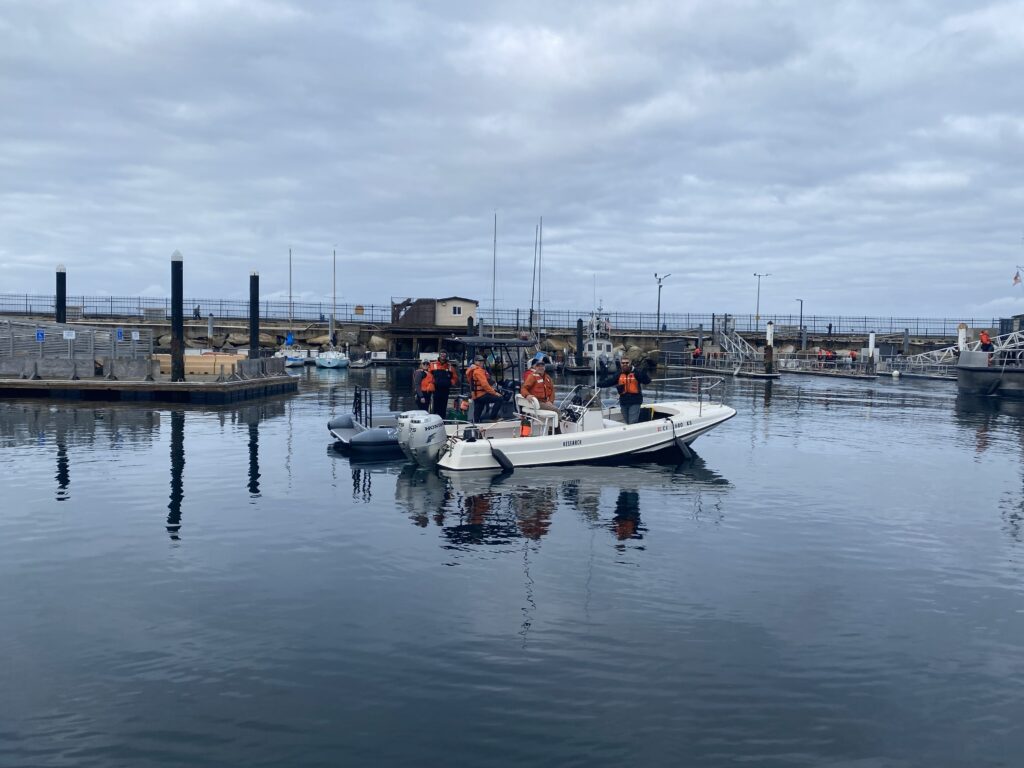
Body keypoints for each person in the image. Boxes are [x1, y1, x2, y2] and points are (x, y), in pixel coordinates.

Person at [598, 357, 651, 425]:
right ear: (621, 364)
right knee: (626, 421)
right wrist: (597, 385)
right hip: (623, 402)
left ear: (630, 363)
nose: (625, 364)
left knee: (632, 422)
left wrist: (644, 372)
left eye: (627, 363)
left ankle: (633, 430)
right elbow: (609, 382)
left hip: (635, 401)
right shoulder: (619, 374)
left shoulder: (636, 373)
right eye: (623, 363)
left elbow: (647, 381)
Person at [467, 354, 503, 422]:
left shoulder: (472, 370)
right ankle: (493, 417)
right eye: (479, 361)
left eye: (482, 361)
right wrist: (495, 393)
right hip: (481, 394)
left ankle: (475, 423)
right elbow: (485, 385)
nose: (481, 362)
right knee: (499, 399)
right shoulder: (478, 371)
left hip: (475, 395)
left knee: (478, 411)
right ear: (475, 362)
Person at [427, 351, 459, 418]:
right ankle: (435, 419)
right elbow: (429, 376)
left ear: (446, 356)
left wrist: (450, 383)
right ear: (439, 355)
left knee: (443, 407)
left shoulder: (450, 367)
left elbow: (455, 378)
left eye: (444, 354)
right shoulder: (433, 365)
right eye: (441, 354)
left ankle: (443, 420)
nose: (443, 356)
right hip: (436, 390)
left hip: (445, 390)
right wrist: (432, 383)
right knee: (435, 406)